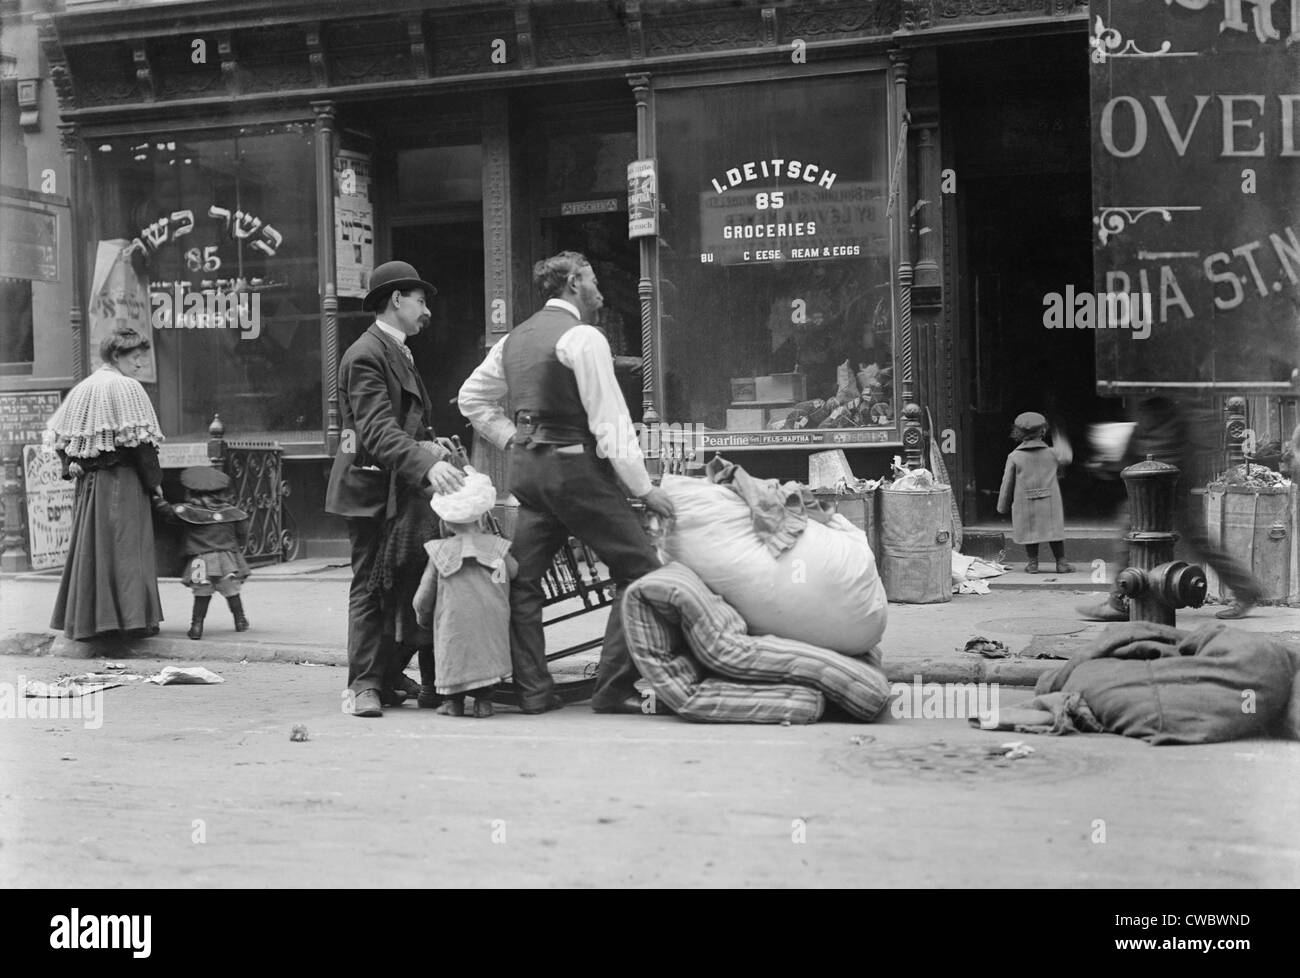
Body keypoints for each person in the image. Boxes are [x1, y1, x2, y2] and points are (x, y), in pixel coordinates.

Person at [458, 251, 675, 714]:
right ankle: (613, 689)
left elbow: (471, 398)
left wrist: (512, 438)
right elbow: (610, 420)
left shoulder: (513, 340)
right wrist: (643, 488)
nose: (600, 290)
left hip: (529, 474)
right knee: (639, 571)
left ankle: (534, 693)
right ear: (574, 283)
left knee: (524, 582)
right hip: (575, 472)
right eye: (594, 279)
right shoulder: (584, 337)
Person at [325, 260, 465, 719]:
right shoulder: (366, 354)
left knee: (405, 581)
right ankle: (362, 686)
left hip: (395, 487)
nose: (426, 311)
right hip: (369, 489)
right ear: (397, 300)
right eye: (421, 301)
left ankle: (385, 674)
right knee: (370, 586)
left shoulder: (396, 350)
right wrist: (427, 466)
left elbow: (405, 424)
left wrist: (431, 441)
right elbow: (378, 432)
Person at [1079, 396, 1263, 622]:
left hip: (1161, 474)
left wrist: (1141, 467)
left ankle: (1120, 601)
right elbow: (1145, 433)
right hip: (1163, 471)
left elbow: (1156, 435)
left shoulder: (1161, 393)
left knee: (1131, 531)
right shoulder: (1151, 392)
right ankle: (1245, 587)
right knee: (1196, 539)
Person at [45, 327, 166, 640]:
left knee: (93, 550)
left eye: (142, 357)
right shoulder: (127, 388)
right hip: (123, 482)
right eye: (135, 357)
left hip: (90, 486)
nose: (140, 364)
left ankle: (92, 622)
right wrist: (154, 482)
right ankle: (131, 621)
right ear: (116, 355)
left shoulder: (84, 388)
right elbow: (141, 444)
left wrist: (70, 466)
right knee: (127, 549)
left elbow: (60, 438)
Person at [412, 467, 516, 718]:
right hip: (490, 622)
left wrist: (421, 614)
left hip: (453, 623)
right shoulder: (496, 547)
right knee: (486, 655)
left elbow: (424, 595)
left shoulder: (440, 552)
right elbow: (512, 571)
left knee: (452, 655)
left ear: (445, 523)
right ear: (482, 519)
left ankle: (453, 703)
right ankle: (484, 702)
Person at [153, 466, 251, 640]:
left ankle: (196, 627)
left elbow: (168, 513)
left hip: (200, 560)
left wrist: (157, 499)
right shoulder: (232, 512)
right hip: (226, 559)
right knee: (232, 591)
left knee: (201, 593)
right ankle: (240, 620)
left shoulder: (189, 512)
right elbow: (242, 534)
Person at [997, 411, 1072, 574]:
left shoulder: (1014, 456)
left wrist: (1002, 506)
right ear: (1043, 431)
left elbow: (1007, 483)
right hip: (1050, 501)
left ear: (1017, 433)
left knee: (1030, 533)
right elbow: (1067, 457)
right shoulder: (1053, 453)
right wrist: (1059, 434)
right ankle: (1061, 563)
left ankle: (1033, 564)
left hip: (1025, 502)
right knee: (1054, 533)